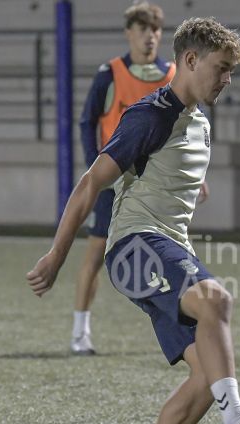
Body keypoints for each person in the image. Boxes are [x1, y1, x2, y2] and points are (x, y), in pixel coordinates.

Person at [27, 17, 240, 424]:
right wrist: (57, 254)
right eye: (222, 68)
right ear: (190, 60)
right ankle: (236, 421)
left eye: (232, 71)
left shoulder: (198, 120)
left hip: (166, 246)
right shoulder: (150, 115)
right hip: (135, 245)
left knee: (203, 376)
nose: (227, 79)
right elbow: (91, 182)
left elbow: (171, 173)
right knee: (215, 299)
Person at [71, 1, 177, 355]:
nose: (150, 37)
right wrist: (96, 167)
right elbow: (87, 121)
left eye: (156, 30)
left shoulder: (173, 75)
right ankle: (80, 331)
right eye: (143, 29)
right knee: (96, 254)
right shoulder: (110, 74)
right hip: (114, 182)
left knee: (169, 255)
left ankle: (176, 327)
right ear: (128, 33)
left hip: (155, 186)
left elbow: (187, 129)